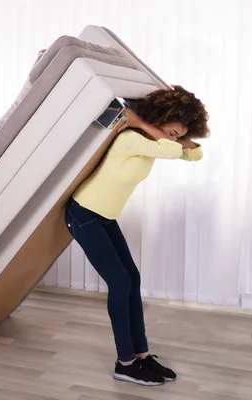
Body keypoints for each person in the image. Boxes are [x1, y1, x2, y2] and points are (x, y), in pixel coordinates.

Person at [65, 85, 209, 386]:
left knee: (132, 278)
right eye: (172, 131)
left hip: (103, 216)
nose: (175, 139)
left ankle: (142, 356)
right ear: (159, 120)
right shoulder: (131, 138)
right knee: (119, 282)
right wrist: (144, 125)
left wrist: (162, 131)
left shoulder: (151, 139)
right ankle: (125, 362)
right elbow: (171, 150)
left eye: (180, 133)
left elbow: (196, 155)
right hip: (84, 214)